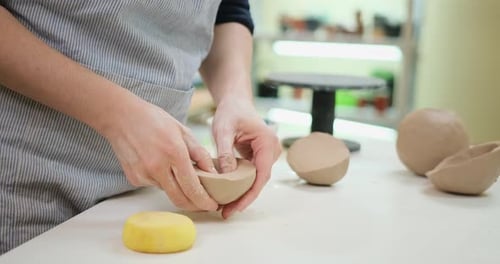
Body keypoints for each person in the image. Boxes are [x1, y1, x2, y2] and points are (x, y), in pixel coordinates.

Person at [0, 0, 281, 254]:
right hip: (28, 181)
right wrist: (115, 113)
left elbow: (227, 9)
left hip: (153, 188)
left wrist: (236, 96)